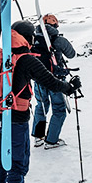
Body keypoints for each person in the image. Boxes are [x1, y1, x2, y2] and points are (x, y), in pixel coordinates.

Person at [0, 20, 82, 183]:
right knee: (18, 159)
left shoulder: (0, 55)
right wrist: (70, 88)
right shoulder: (25, 59)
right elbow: (50, 81)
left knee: (0, 157)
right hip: (17, 118)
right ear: (28, 37)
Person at [31, 14, 76, 149]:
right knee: (59, 109)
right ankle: (51, 140)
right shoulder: (58, 40)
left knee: (41, 105)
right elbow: (72, 54)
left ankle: (38, 137)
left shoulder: (34, 39)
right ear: (55, 25)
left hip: (39, 79)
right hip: (56, 80)